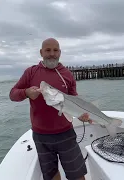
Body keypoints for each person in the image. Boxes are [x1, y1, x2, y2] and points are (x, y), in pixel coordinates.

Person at [9, 38, 91, 180]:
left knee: (77, 175)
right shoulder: (30, 72)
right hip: (41, 137)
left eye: (55, 50)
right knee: (51, 175)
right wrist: (26, 92)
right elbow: (12, 94)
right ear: (41, 52)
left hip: (66, 133)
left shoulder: (67, 74)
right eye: (48, 50)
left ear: (60, 52)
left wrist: (81, 114)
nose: (52, 54)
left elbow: (74, 100)